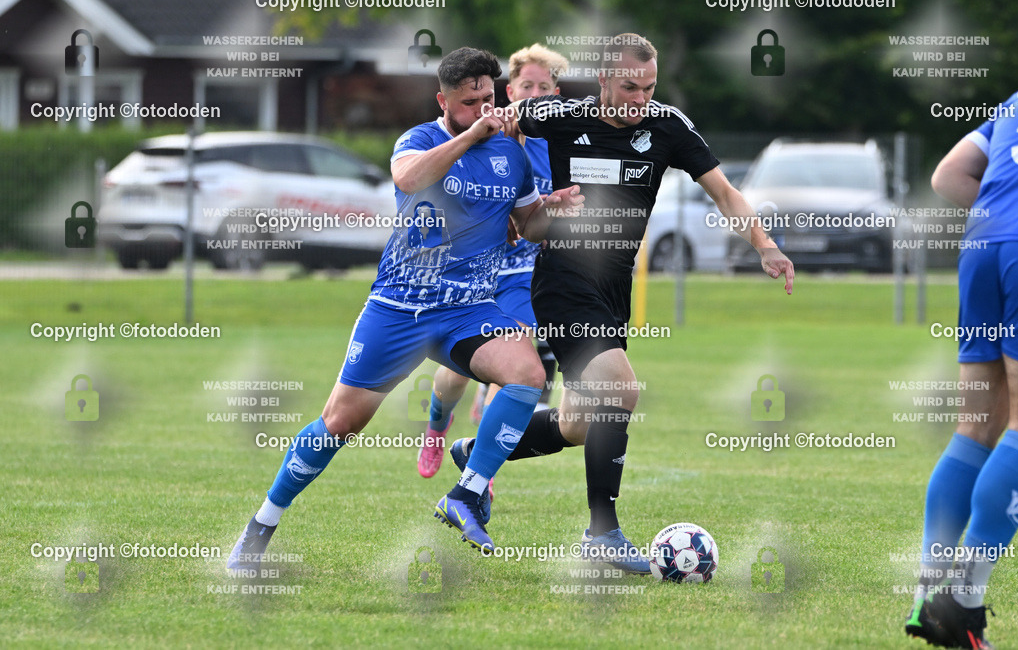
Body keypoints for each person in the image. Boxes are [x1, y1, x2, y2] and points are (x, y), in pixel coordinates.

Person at [226, 46, 583, 567]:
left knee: (526, 374)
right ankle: (262, 525)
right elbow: (408, 179)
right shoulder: (422, 139)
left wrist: (554, 211)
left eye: (488, 98)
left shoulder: (512, 152)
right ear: (443, 102)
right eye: (469, 102)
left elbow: (525, 227)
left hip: (466, 308)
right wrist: (469, 137)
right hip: (400, 309)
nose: (484, 109)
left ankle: (466, 494)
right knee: (340, 423)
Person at [452, 33, 794, 573]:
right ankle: (602, 532)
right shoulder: (557, 116)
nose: (640, 99)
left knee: (577, 425)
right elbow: (489, 127)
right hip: (562, 285)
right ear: (604, 80)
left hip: (612, 296)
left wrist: (765, 246)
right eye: (630, 87)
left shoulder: (667, 127)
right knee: (622, 389)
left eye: (649, 87)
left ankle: (484, 450)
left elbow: (724, 192)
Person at [416, 44, 569, 495]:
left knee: (517, 364)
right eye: (527, 86)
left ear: (556, 94)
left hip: (527, 275)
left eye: (545, 88)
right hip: (480, 271)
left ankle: (481, 465)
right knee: (454, 375)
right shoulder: (490, 134)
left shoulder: (557, 146)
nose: (536, 94)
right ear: (509, 91)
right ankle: (437, 427)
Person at [904, 87, 1018, 649]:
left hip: (981, 246)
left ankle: (929, 593)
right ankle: (963, 599)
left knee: (976, 426)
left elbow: (948, 175)